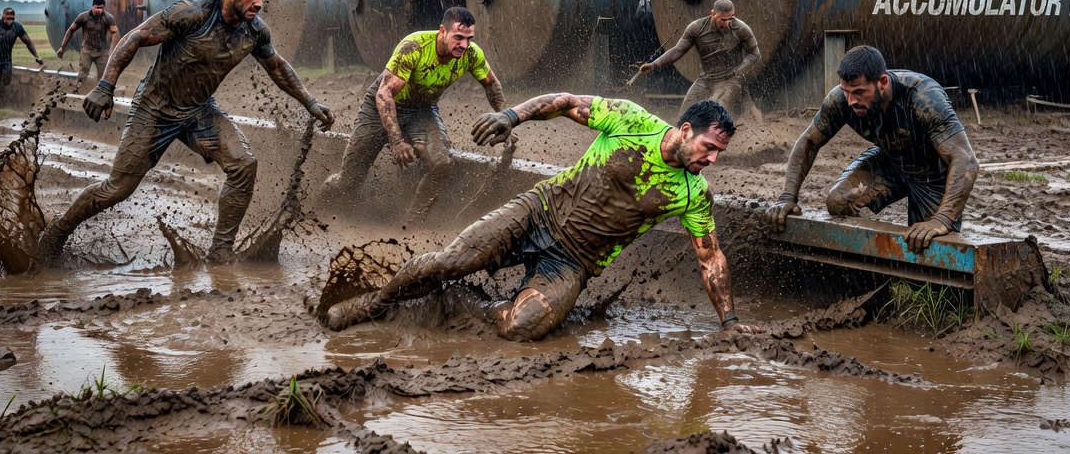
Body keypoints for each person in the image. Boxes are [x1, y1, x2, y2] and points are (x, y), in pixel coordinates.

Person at [323, 94, 762, 341]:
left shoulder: (693, 193)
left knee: (522, 327)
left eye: (719, 153)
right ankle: (372, 304)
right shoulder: (632, 120)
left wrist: (729, 322)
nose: (714, 159)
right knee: (449, 262)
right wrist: (510, 116)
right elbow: (566, 102)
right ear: (686, 131)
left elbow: (711, 259)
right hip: (538, 212)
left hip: (572, 263)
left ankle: (463, 303)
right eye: (710, 147)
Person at [36, 0, 334, 265]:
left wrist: (310, 102)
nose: (258, 3)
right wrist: (105, 86)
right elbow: (135, 37)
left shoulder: (255, 31)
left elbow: (278, 67)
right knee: (118, 188)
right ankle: (57, 232)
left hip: (199, 112)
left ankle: (220, 250)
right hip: (154, 108)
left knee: (244, 164)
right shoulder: (192, 14)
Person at [769, 45, 979, 253]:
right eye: (846, 92)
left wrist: (942, 219)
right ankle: (867, 273)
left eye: (859, 92)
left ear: (883, 82)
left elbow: (965, 160)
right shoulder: (841, 99)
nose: (851, 101)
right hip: (891, 163)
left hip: (933, 176)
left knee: (928, 249)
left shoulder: (923, 97)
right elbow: (809, 141)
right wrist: (788, 197)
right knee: (839, 202)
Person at [321, 6, 506, 222]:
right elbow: (384, 94)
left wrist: (505, 116)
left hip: (421, 110)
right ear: (442, 31)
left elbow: (492, 84)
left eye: (468, 38)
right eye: (458, 37)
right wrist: (397, 140)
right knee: (349, 180)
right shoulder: (415, 47)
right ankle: (318, 209)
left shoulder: (472, 54)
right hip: (380, 108)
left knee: (443, 164)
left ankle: (412, 225)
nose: (463, 45)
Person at [638, 0, 761, 114]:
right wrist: (654, 64)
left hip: (729, 79)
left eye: (731, 18)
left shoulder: (741, 28)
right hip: (705, 79)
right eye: (723, 19)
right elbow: (678, 50)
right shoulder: (697, 28)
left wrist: (739, 72)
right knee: (685, 114)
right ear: (713, 13)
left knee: (714, 111)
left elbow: (755, 53)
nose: (728, 23)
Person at [57, 0, 120, 88]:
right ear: (92, 7)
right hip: (87, 51)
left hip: (102, 53)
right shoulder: (83, 17)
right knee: (82, 75)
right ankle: (78, 92)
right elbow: (71, 30)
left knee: (103, 77)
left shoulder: (108, 18)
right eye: (97, 7)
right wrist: (62, 47)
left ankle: (100, 95)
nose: (99, 10)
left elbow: (116, 33)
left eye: (101, 8)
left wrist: (113, 51)